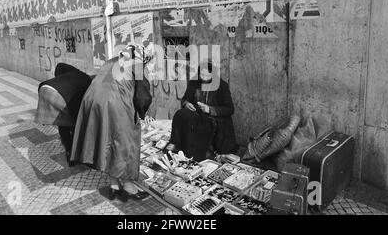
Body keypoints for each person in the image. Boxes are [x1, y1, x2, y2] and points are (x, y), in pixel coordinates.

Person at [70, 44, 153, 202]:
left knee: (108, 141)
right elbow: (143, 98)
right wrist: (142, 114)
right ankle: (129, 188)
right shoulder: (137, 65)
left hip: (92, 101)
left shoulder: (111, 61)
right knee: (127, 144)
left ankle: (114, 185)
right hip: (114, 104)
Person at [166, 61, 238, 162]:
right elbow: (185, 99)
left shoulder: (222, 86)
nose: (203, 77)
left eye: (206, 75)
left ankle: (196, 155)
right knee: (180, 114)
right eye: (201, 74)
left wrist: (210, 109)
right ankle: (174, 142)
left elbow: (230, 109)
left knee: (198, 126)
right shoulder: (194, 82)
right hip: (196, 113)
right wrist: (186, 104)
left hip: (213, 118)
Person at [34, 63, 94, 167]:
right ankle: (76, 154)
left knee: (63, 123)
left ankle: (69, 152)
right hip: (61, 96)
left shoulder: (68, 74)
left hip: (45, 87)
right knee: (75, 123)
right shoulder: (87, 81)